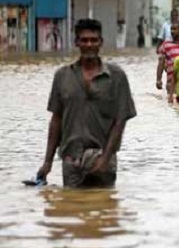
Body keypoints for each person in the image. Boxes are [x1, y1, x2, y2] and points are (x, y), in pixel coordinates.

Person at [37, 19, 136, 188]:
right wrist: (47, 162)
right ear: (77, 42)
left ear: (101, 43)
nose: (89, 44)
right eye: (84, 40)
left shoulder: (116, 77)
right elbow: (56, 120)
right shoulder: (62, 76)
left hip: (102, 158)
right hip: (71, 161)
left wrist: (105, 158)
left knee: (104, 207)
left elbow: (120, 121)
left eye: (93, 40)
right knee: (72, 208)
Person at [156, 21, 179, 92]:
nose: (172, 31)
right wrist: (158, 80)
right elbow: (161, 63)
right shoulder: (166, 45)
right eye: (171, 29)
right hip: (172, 82)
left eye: (175, 29)